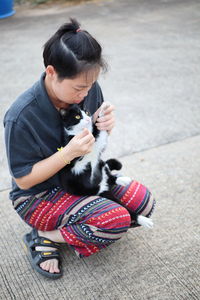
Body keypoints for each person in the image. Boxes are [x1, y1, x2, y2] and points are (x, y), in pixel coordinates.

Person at [4, 18, 155, 279]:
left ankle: (75, 222)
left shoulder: (87, 89)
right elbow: (23, 179)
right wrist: (68, 153)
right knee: (115, 221)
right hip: (38, 196)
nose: (86, 93)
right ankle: (44, 234)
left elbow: (93, 141)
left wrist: (106, 125)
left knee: (143, 203)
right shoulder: (21, 116)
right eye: (79, 87)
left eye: (90, 85)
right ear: (51, 72)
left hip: (82, 181)